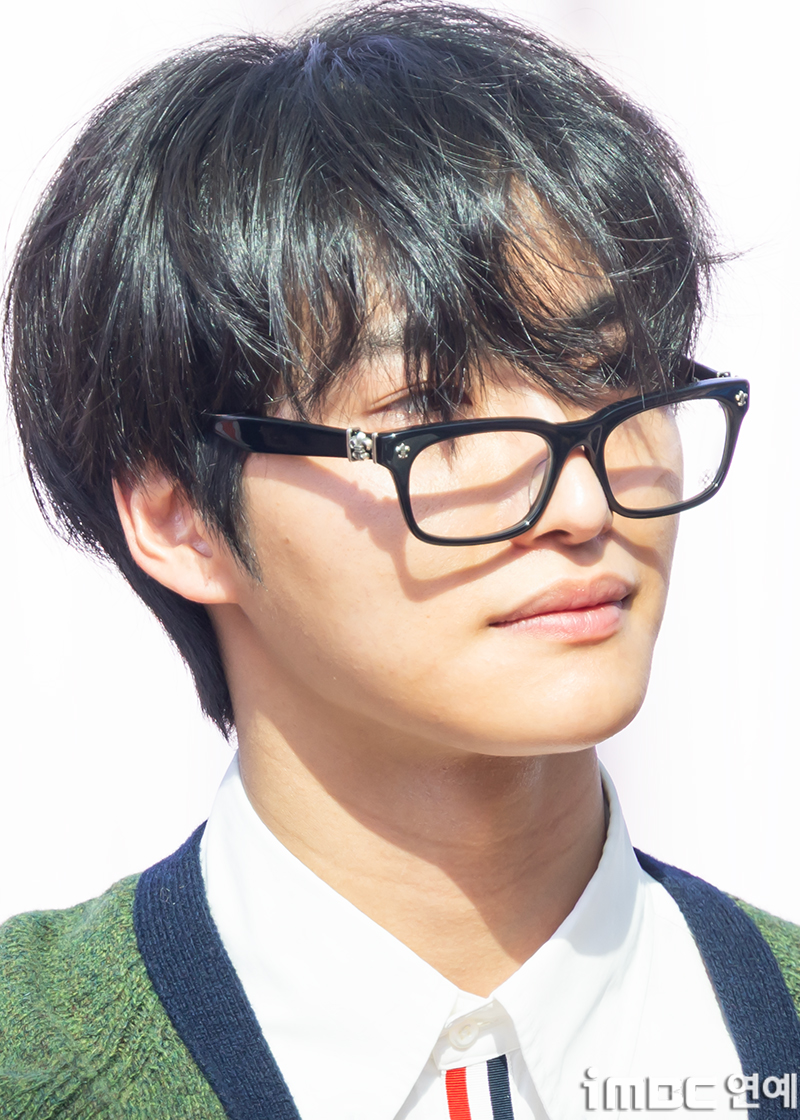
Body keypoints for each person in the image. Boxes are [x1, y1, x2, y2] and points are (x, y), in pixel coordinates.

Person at [0, 2, 797, 1117]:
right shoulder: (34, 1061)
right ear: (179, 519)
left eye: (611, 375)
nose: (581, 501)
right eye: (431, 413)